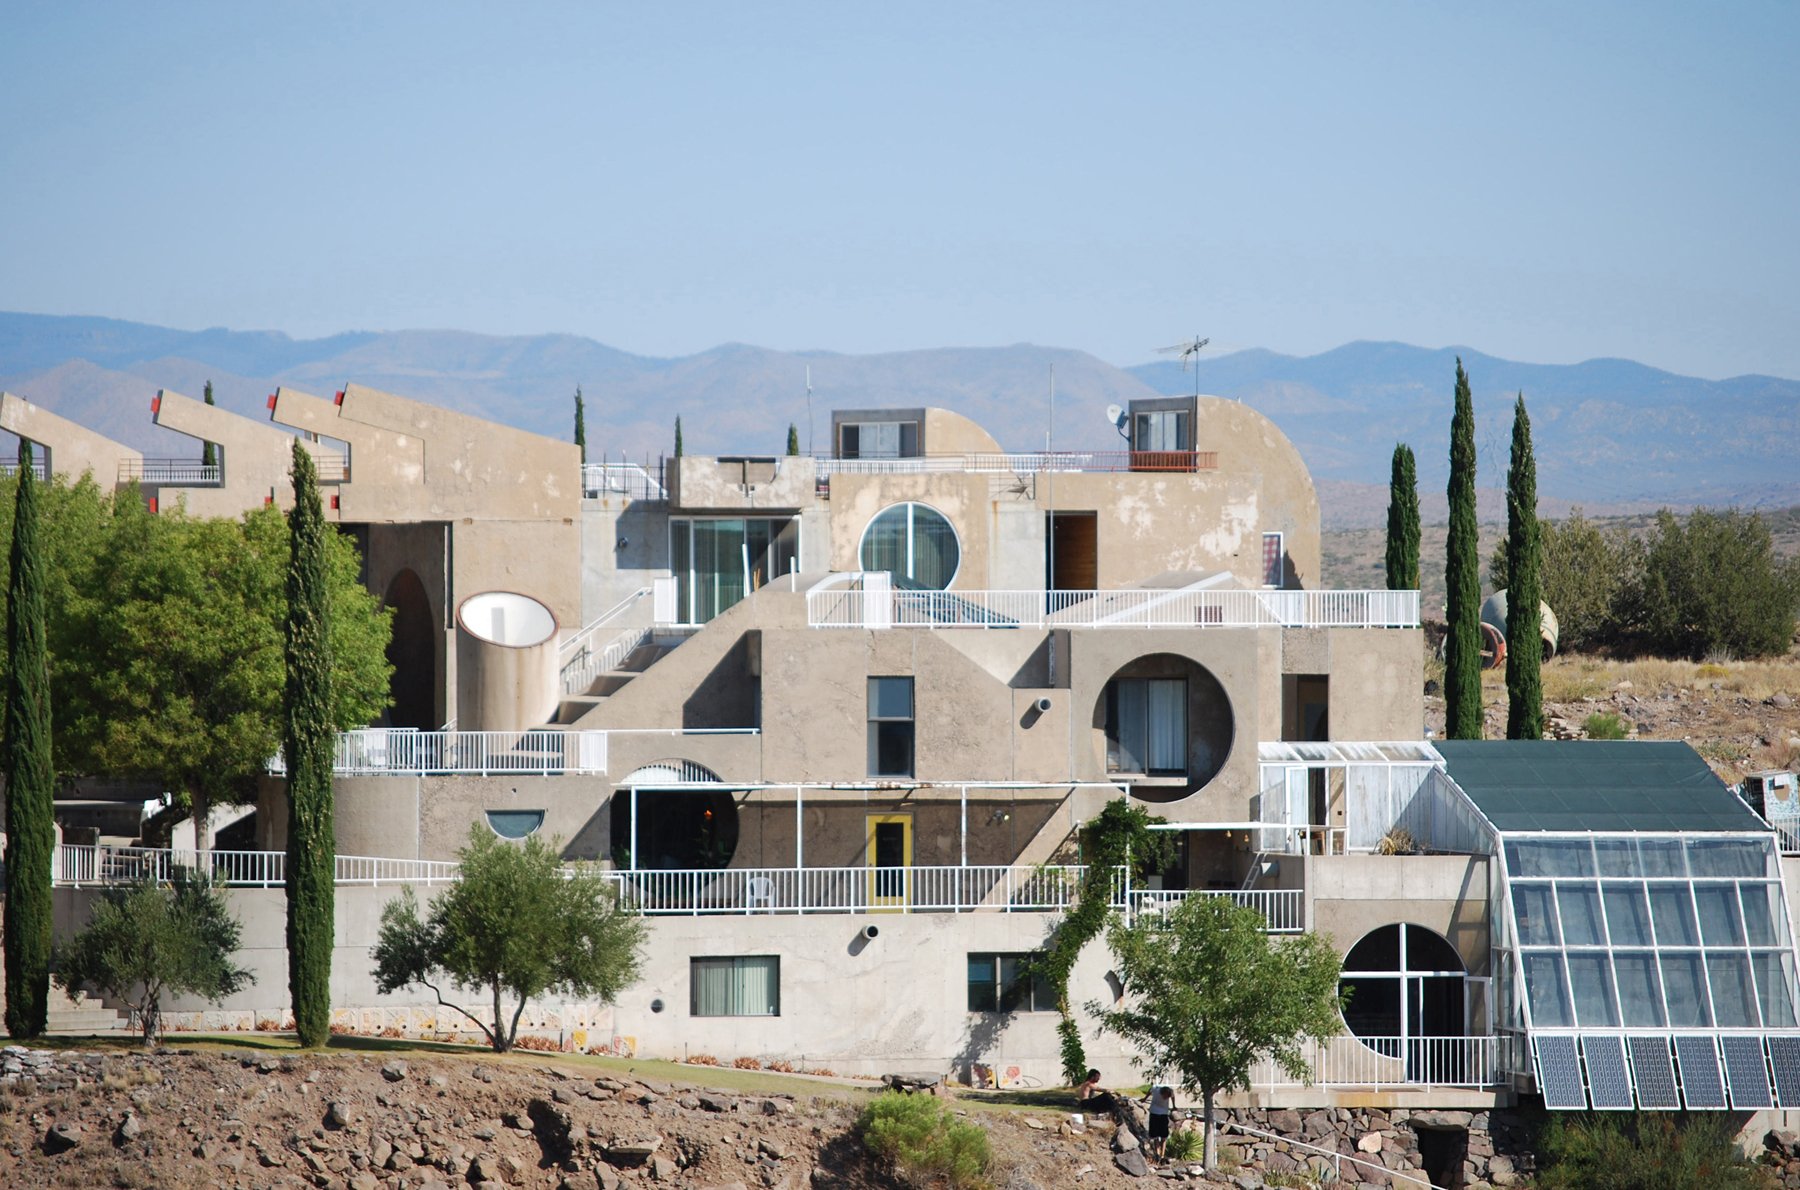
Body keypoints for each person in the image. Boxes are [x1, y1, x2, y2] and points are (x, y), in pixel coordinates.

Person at [1146, 1083, 1176, 1161]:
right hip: (1154, 1114)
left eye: (1167, 1097)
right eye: (1165, 1096)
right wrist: (1145, 1098)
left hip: (1163, 1114)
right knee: (1155, 1135)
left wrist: (1174, 1106)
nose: (1166, 1098)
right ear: (1162, 1093)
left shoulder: (1170, 1092)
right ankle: (1157, 1154)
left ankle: (1162, 1155)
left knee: (1164, 1136)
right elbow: (1150, 1090)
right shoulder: (1156, 1090)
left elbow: (1173, 1096)